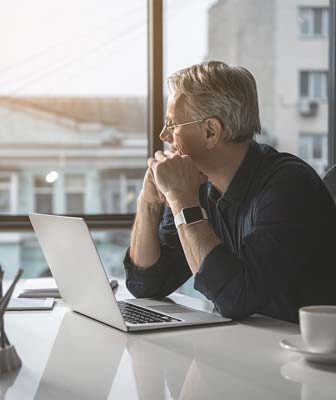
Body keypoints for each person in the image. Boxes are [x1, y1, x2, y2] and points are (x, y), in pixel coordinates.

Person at [123, 61, 336, 323]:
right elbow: (146, 285)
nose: (163, 135)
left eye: (173, 124)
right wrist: (148, 202)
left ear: (211, 131)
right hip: (249, 347)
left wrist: (181, 201)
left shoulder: (288, 185)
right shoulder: (196, 186)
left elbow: (236, 299)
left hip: (308, 354)